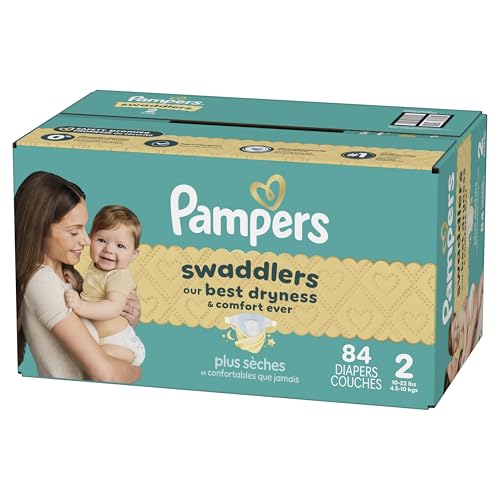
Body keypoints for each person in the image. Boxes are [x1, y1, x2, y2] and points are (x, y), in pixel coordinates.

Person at [15, 171, 141, 382]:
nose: (87, 240)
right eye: (74, 232)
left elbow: (96, 338)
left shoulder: (68, 277)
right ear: (39, 229)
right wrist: (136, 369)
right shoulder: (42, 282)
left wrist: (125, 323)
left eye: (85, 228)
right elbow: (106, 373)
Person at [64, 205, 146, 367]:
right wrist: (78, 285)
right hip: (103, 340)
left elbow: (113, 307)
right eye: (101, 240)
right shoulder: (96, 269)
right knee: (91, 355)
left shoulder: (119, 276)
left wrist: (80, 305)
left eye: (120, 246)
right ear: (90, 238)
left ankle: (132, 355)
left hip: (120, 342)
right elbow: (94, 293)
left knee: (96, 355)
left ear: (133, 254)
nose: (108, 249)